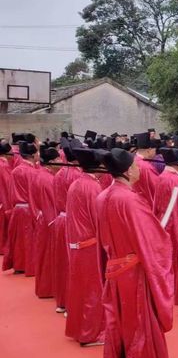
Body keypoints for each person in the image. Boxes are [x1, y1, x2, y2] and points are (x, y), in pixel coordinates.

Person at [97, 148, 174, 358]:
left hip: (115, 267)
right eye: (136, 165)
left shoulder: (103, 196)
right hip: (133, 272)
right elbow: (151, 240)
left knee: (118, 322)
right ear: (129, 170)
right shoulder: (130, 200)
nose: (140, 168)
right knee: (138, 324)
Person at [65, 148, 106, 346]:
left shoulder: (76, 184)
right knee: (92, 290)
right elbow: (99, 220)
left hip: (78, 244)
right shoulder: (91, 187)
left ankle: (80, 328)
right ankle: (91, 333)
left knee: (81, 289)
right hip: (89, 245)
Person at [52, 139, 82, 313]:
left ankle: (62, 301)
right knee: (73, 265)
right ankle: (72, 304)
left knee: (63, 263)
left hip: (61, 219)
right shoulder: (77, 176)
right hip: (73, 222)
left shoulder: (59, 174)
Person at [2, 141, 39, 275]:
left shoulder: (16, 170)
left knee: (18, 240)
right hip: (29, 208)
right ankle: (29, 265)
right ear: (33, 155)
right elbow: (33, 194)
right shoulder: (32, 172)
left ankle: (19, 264)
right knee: (29, 239)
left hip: (17, 209)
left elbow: (10, 191)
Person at [153, 148, 178, 291]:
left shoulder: (161, 177)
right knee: (176, 253)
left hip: (162, 219)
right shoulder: (176, 180)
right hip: (175, 220)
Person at [33, 147, 61, 299]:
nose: (61, 162)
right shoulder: (48, 179)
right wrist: (54, 223)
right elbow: (50, 203)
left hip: (43, 219)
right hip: (49, 221)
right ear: (50, 162)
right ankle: (48, 288)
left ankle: (46, 287)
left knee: (44, 255)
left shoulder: (40, 175)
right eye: (57, 160)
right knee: (48, 255)